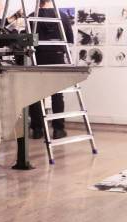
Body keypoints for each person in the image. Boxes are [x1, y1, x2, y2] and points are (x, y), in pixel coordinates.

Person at [28, 0, 74, 140]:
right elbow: (69, 39)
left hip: (38, 58)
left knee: (36, 95)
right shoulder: (62, 16)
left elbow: (27, 41)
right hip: (57, 58)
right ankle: (58, 129)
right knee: (57, 94)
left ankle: (37, 129)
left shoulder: (31, 17)